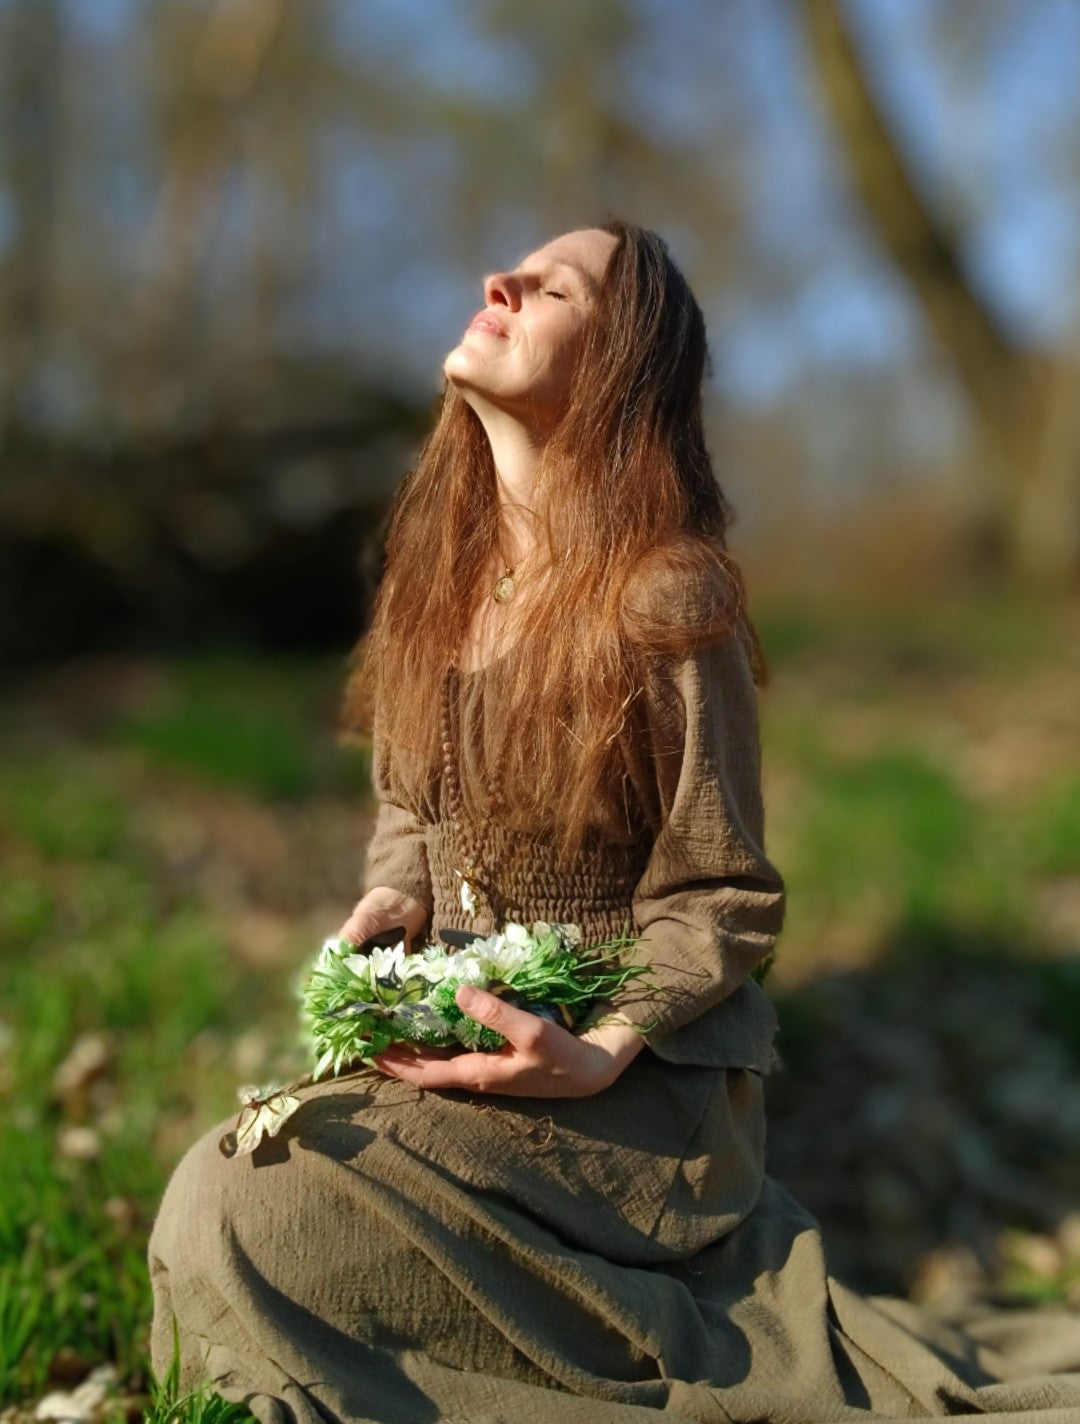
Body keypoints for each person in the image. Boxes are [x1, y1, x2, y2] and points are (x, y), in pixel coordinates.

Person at [149, 222, 1080, 1424]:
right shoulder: (432, 579)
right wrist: (397, 899)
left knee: (253, 1205)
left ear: (619, 367)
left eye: (551, 287)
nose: (500, 283)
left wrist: (599, 1045)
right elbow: (404, 802)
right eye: (508, 271)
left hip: (639, 1101)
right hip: (475, 1038)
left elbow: (723, 893)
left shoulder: (665, 597)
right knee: (231, 1185)